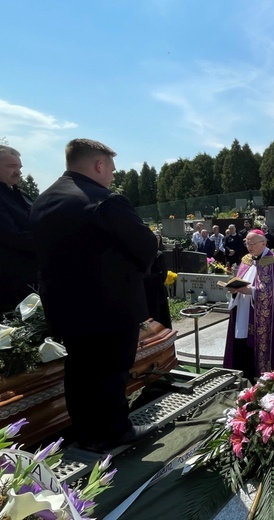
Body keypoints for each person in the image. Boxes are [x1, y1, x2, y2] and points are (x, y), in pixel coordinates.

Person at [30, 138, 157, 450]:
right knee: (112, 371)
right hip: (109, 305)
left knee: (80, 371)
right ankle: (115, 433)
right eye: (111, 169)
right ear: (98, 165)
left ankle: (87, 432)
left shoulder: (42, 202)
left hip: (64, 306)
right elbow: (145, 247)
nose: (112, 176)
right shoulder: (105, 201)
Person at [223, 230, 274, 381]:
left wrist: (250, 291)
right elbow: (239, 278)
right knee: (242, 344)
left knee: (259, 348)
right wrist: (235, 289)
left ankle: (263, 381)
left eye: (252, 243)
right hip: (242, 309)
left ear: (264, 243)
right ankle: (243, 378)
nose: (249, 247)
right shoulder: (246, 260)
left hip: (263, 318)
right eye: (247, 243)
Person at [0, 145, 38, 313]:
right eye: (11, 166)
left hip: (30, 280)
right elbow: (11, 235)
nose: (18, 172)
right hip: (7, 283)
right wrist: (50, 241)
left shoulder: (20, 194)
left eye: (19, 167)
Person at [144, 233, 172, 329]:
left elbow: (163, 275)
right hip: (146, 293)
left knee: (160, 317)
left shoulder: (159, 255)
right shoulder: (144, 255)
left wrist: (146, 278)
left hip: (157, 292)